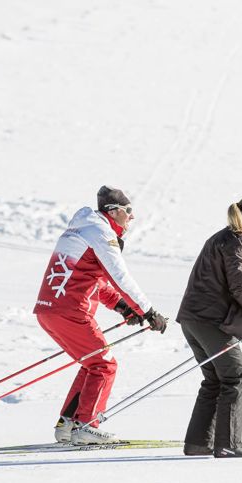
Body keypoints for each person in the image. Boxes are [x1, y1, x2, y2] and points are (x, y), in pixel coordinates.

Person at [33, 185, 167, 445]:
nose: (132, 217)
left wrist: (123, 307)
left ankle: (68, 424)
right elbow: (120, 277)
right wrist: (148, 311)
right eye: (128, 211)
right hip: (70, 311)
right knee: (104, 365)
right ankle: (87, 425)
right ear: (113, 211)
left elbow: (94, 280)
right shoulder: (101, 232)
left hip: (49, 310)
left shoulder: (83, 230)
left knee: (92, 363)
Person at [176, 195, 242, 458]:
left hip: (193, 320)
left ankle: (199, 443)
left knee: (215, 380)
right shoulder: (237, 243)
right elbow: (240, 288)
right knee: (235, 376)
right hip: (210, 323)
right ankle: (228, 444)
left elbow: (226, 287)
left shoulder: (223, 238)